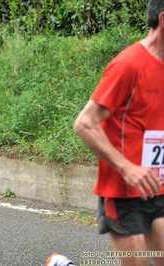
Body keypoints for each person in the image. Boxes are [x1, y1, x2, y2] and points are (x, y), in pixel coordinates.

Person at [73, 1, 164, 265]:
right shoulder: (128, 65)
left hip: (158, 189)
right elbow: (85, 123)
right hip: (124, 194)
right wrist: (127, 167)